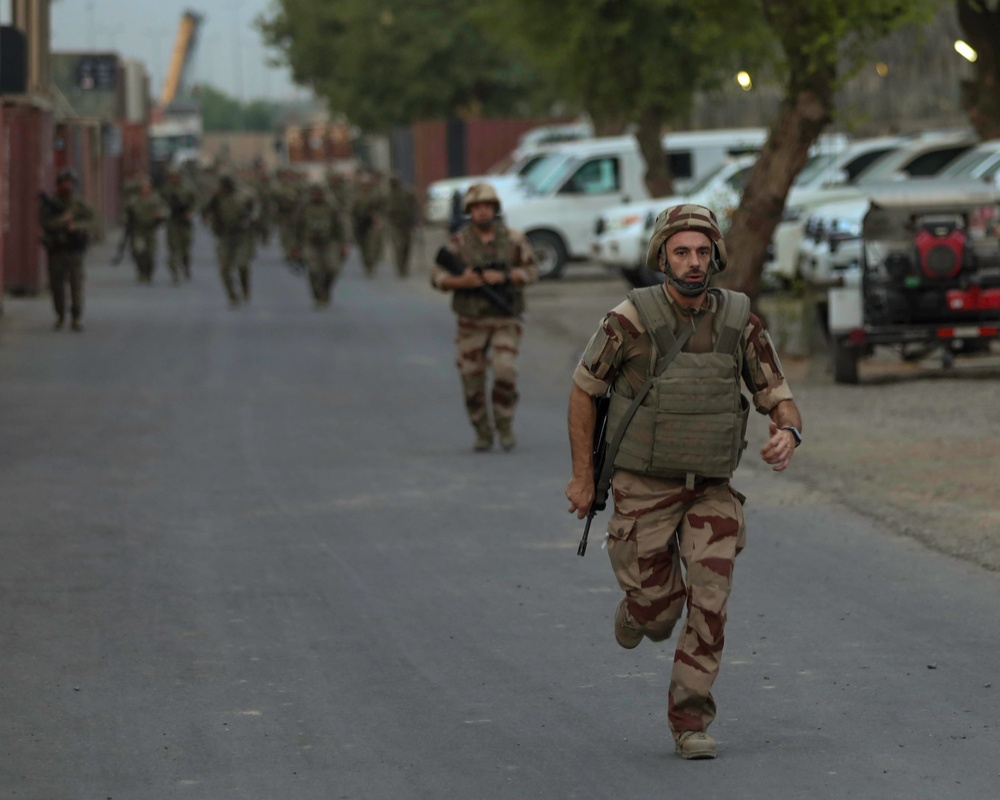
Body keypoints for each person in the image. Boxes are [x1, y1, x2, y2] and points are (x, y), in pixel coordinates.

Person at [565, 204, 803, 760]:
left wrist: (790, 432)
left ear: (715, 256)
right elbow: (584, 392)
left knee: (711, 602)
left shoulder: (739, 321)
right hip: (643, 485)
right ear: (662, 256)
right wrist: (582, 477)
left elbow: (778, 394)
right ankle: (638, 610)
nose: (694, 263)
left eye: (702, 252)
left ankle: (689, 720)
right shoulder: (630, 319)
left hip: (712, 487)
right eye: (682, 252)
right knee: (658, 613)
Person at [430, 182, 538, 452]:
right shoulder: (459, 242)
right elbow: (436, 276)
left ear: (495, 210)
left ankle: (504, 423)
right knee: (471, 379)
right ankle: (482, 429)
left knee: (505, 370)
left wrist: (505, 276)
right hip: (471, 322)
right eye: (477, 208)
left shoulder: (513, 239)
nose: (482, 212)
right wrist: (460, 281)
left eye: (487, 207)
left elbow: (532, 271)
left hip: (505, 318)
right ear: (470, 211)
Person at [38, 167, 95, 331]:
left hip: (74, 249)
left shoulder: (79, 204)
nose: (68, 186)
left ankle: (76, 317)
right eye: (65, 183)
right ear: (59, 184)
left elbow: (93, 221)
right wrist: (62, 221)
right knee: (56, 285)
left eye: (71, 183)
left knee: (76, 284)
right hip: (56, 249)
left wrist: (77, 226)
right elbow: (44, 222)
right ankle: (60, 314)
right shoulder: (50, 204)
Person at [202, 171, 257, 306]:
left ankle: (245, 289)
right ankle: (232, 296)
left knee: (242, 264)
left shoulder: (243, 195)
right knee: (224, 268)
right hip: (223, 235)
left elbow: (254, 208)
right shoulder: (216, 197)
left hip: (241, 234)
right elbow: (204, 210)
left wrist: (252, 218)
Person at [294, 181, 349, 307]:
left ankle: (326, 289)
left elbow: (340, 225)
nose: (316, 195)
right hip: (310, 243)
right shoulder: (304, 207)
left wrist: (344, 243)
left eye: (319, 193)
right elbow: (298, 227)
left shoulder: (331, 206)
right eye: (314, 193)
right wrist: (296, 246)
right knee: (314, 270)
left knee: (333, 269)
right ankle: (317, 296)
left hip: (329, 242)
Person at [161, 165, 199, 282]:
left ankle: (185, 266)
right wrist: (164, 212)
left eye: (176, 176)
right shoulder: (166, 189)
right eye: (171, 177)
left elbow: (197, 201)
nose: (174, 179)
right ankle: (174, 272)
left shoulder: (188, 188)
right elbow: (160, 202)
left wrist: (191, 212)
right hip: (172, 222)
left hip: (184, 222)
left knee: (185, 249)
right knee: (173, 248)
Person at [128, 176, 167, 284]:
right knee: (139, 253)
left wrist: (161, 215)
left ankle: (148, 273)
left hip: (151, 230)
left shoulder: (156, 199)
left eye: (147, 187)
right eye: (143, 187)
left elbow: (164, 209)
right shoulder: (134, 200)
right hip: (139, 231)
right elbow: (128, 213)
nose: (145, 189)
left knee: (151, 254)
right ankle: (141, 272)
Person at [384, 173, 420, 277]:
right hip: (394, 225)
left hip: (406, 224)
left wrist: (416, 219)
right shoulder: (387, 195)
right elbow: (385, 210)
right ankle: (400, 268)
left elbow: (414, 206)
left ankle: (404, 266)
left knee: (407, 246)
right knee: (399, 246)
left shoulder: (407, 193)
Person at [351, 171, 385, 276]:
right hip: (360, 224)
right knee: (363, 247)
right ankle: (366, 265)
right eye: (363, 185)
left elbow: (381, 207)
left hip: (371, 223)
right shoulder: (356, 196)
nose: (365, 187)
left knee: (372, 245)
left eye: (367, 184)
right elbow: (352, 210)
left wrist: (377, 217)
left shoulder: (375, 194)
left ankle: (371, 265)